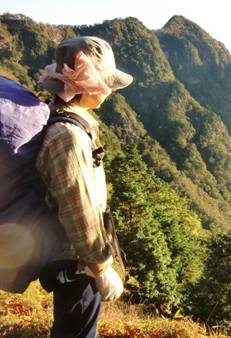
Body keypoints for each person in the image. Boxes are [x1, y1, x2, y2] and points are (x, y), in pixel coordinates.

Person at [36, 36, 133, 338]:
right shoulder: (69, 136)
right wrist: (101, 268)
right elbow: (78, 207)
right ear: (87, 84)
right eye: (105, 81)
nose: (111, 89)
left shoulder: (67, 121)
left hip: (76, 258)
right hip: (77, 262)